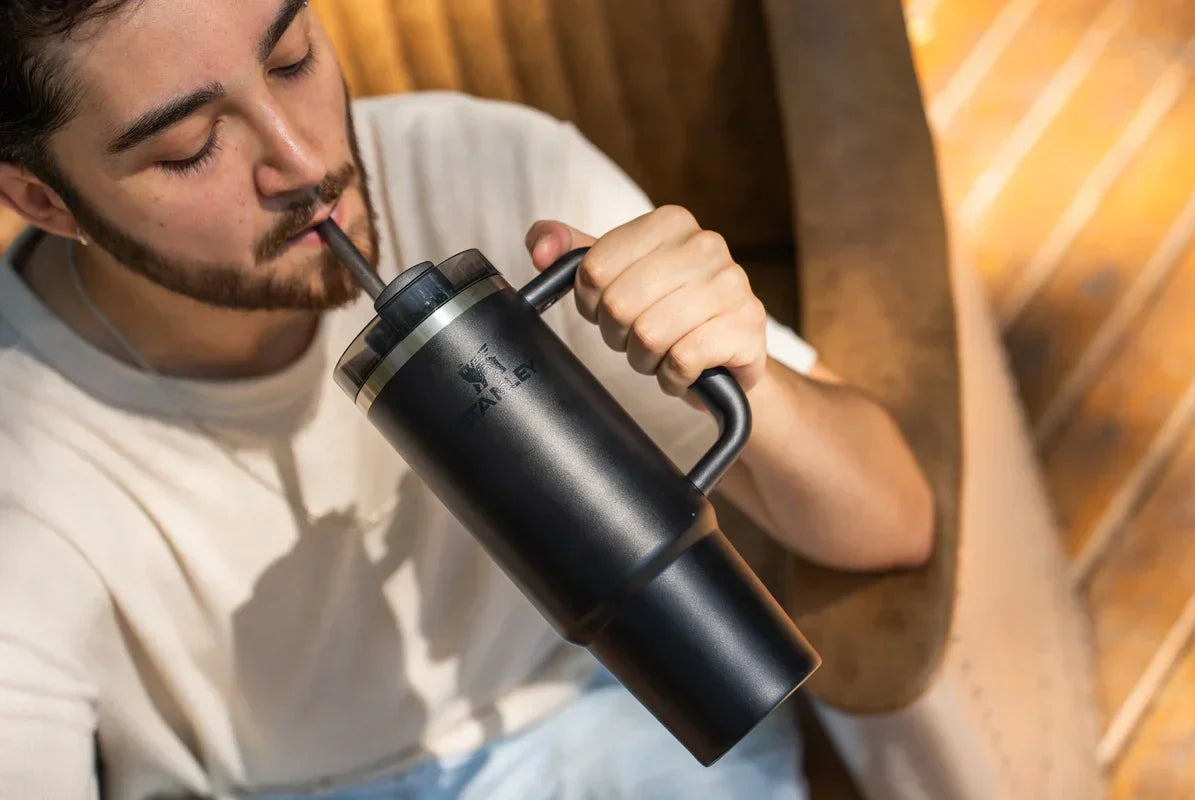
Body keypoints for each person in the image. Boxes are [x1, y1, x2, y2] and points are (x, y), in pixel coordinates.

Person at [0, 1, 935, 797]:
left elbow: (889, 522)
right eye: (191, 147)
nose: (302, 160)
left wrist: (737, 371)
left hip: (619, 719)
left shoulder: (483, 171)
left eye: (290, 59)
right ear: (45, 201)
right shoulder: (23, 451)